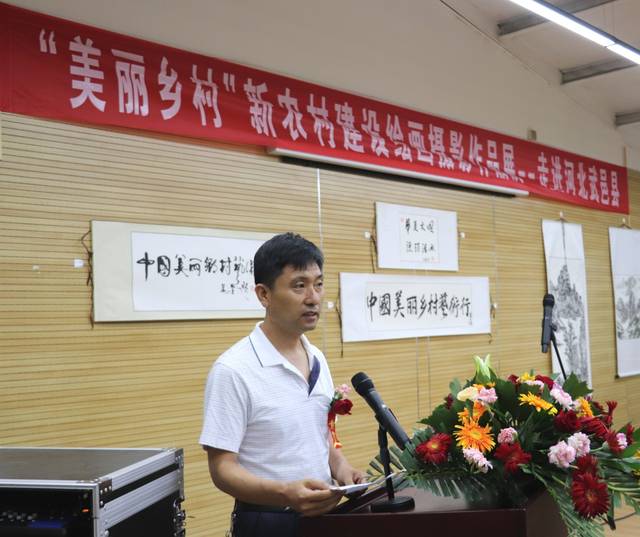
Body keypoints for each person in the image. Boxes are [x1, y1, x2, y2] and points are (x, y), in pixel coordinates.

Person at [200, 232, 365, 536]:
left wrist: (341, 468)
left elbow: (319, 436)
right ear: (264, 294)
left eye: (318, 284)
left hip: (325, 515)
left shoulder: (316, 357)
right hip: (267, 520)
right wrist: (285, 493)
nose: (313, 297)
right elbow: (222, 469)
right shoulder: (233, 369)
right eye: (299, 285)